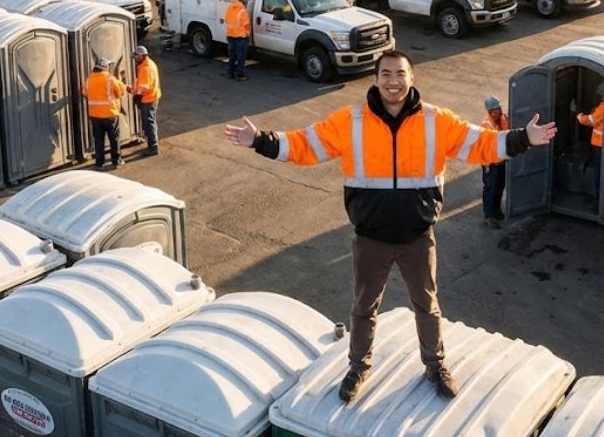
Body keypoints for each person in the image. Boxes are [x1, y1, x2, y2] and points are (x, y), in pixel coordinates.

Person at [223, 51, 556, 403]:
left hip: (417, 237)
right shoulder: (350, 121)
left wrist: (524, 138)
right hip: (371, 239)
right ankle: (358, 367)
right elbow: (305, 145)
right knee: (364, 308)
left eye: (400, 73)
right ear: (376, 78)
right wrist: (260, 140)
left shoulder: (435, 120)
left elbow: (481, 144)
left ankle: (435, 365)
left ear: (412, 78)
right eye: (386, 74)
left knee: (427, 306)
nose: (393, 81)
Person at [82, 56, 126, 170]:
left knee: (98, 140)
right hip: (110, 114)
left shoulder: (89, 79)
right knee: (114, 139)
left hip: (95, 115)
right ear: (105, 67)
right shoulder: (110, 78)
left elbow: (84, 93)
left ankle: (99, 163)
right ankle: (116, 160)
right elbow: (121, 91)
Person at [480, 96, 509, 228]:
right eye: (497, 109)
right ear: (490, 111)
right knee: (490, 189)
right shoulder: (487, 125)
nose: (500, 110)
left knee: (499, 187)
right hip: (490, 163)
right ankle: (488, 216)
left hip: (501, 161)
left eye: (499, 107)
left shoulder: (503, 119)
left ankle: (496, 211)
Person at [129, 46, 161, 156]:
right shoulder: (148, 64)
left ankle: (153, 147)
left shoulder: (144, 69)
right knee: (150, 121)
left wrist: (133, 92)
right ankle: (153, 145)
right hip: (152, 96)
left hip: (148, 99)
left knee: (148, 123)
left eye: (136, 56)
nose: (134, 58)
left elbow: (143, 88)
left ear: (142, 56)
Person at [574, 87, 604, 190]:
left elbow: (592, 120)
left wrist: (579, 117)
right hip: (602, 144)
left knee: (598, 170)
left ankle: (598, 195)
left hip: (599, 144)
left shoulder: (603, 107)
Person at [225, 0, 251, 81]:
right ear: (244, 0)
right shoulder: (243, 11)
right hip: (241, 37)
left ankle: (230, 72)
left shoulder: (231, 7)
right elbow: (246, 25)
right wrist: (248, 35)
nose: (247, 1)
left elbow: (226, 19)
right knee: (241, 57)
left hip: (230, 35)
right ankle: (240, 75)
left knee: (232, 56)